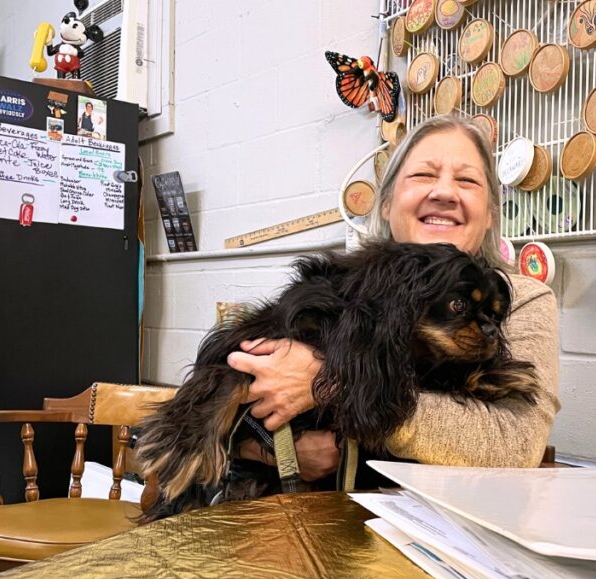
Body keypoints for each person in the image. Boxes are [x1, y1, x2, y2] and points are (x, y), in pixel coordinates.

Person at [227, 114, 560, 482]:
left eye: (467, 180)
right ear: (386, 204)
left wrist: (330, 382)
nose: (445, 192)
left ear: (489, 216)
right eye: (423, 175)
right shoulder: (340, 285)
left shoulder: (525, 299)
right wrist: (269, 452)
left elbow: (513, 444)